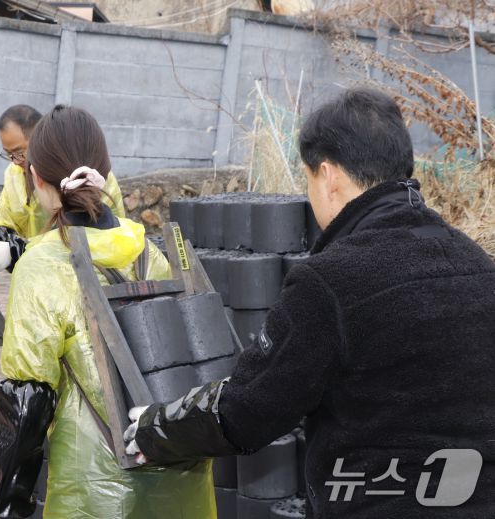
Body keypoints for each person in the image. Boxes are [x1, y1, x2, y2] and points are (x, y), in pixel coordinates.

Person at [125, 88, 495, 518]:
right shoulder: (477, 263)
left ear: (328, 175)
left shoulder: (331, 281)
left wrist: (156, 429)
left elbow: (248, 411)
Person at [0, 105, 215, 519]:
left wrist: (10, 502)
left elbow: (27, 398)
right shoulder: (148, 252)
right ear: (105, 172)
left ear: (36, 177)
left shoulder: (44, 266)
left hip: (93, 488)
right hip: (184, 481)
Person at [0, 104, 126, 275]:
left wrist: (18, 250)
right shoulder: (14, 174)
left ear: (41, 141)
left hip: (84, 274)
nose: (15, 161)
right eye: (8, 155)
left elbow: (96, 236)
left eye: (20, 153)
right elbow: (6, 216)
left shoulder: (90, 178)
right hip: (37, 271)